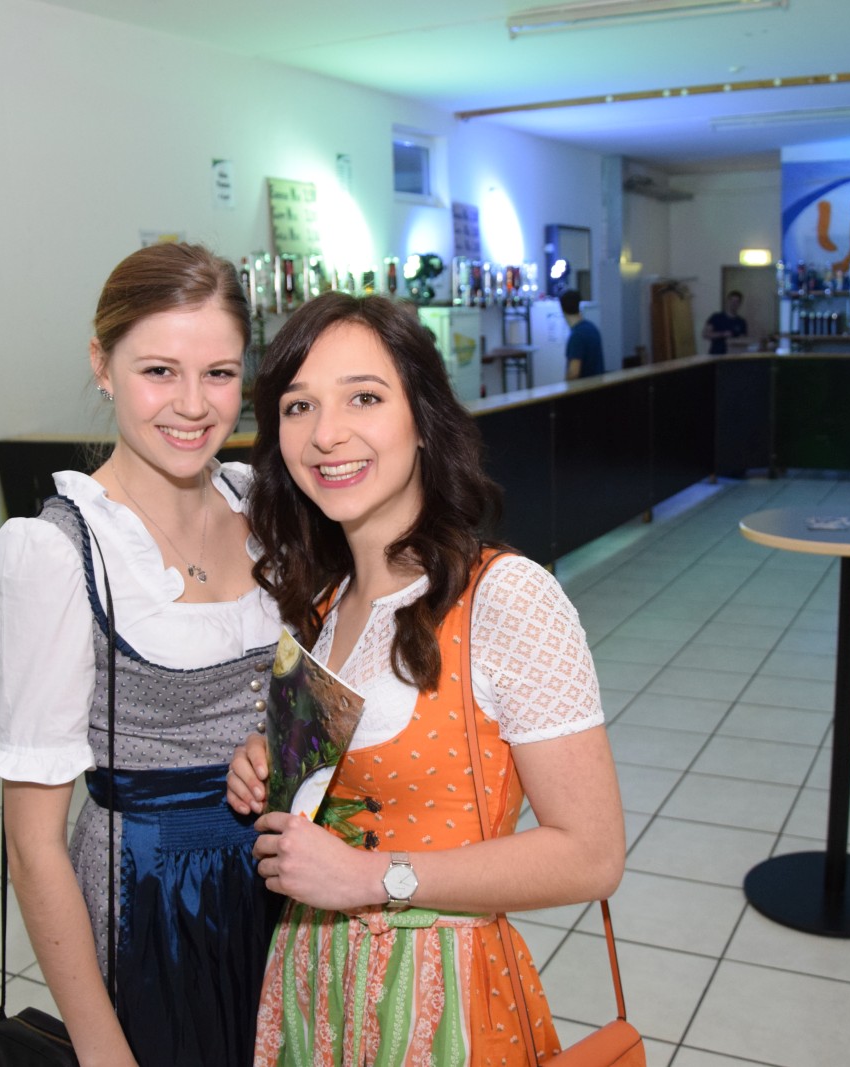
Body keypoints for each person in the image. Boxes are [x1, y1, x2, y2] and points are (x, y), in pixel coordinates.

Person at [228, 293, 626, 1065]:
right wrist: (271, 761)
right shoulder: (324, 598)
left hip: (440, 1002)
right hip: (314, 983)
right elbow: (341, 778)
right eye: (299, 405)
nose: (326, 433)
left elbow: (592, 854)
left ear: (423, 419)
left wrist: (370, 875)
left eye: (364, 397)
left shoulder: (506, 597)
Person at [0, 242, 283, 1067]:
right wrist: (103, 1052)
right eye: (159, 371)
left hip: (284, 883)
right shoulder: (57, 552)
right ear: (102, 365)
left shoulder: (263, 504)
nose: (192, 405)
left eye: (219, 373)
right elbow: (32, 845)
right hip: (152, 905)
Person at [560, 288, 605, 379]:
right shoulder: (592, 328)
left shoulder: (576, 336)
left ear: (562, 309)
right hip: (598, 384)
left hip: (585, 386)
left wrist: (565, 385)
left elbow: (574, 373)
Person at [703, 289, 748, 354]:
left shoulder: (741, 321)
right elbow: (705, 334)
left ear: (740, 304)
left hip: (734, 356)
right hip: (716, 355)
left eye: (737, 301)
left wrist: (738, 341)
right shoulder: (716, 317)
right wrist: (722, 334)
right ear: (727, 301)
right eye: (732, 300)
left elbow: (743, 339)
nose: (734, 303)